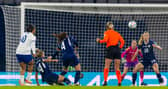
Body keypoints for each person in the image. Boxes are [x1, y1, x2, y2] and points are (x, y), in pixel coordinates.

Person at [96, 22, 125, 86]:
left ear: (107, 27)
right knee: (117, 68)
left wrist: (99, 41)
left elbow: (105, 40)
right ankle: (119, 82)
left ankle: (105, 81)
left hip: (110, 49)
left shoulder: (107, 32)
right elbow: (122, 41)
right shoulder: (117, 33)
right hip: (117, 49)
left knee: (107, 66)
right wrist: (119, 48)